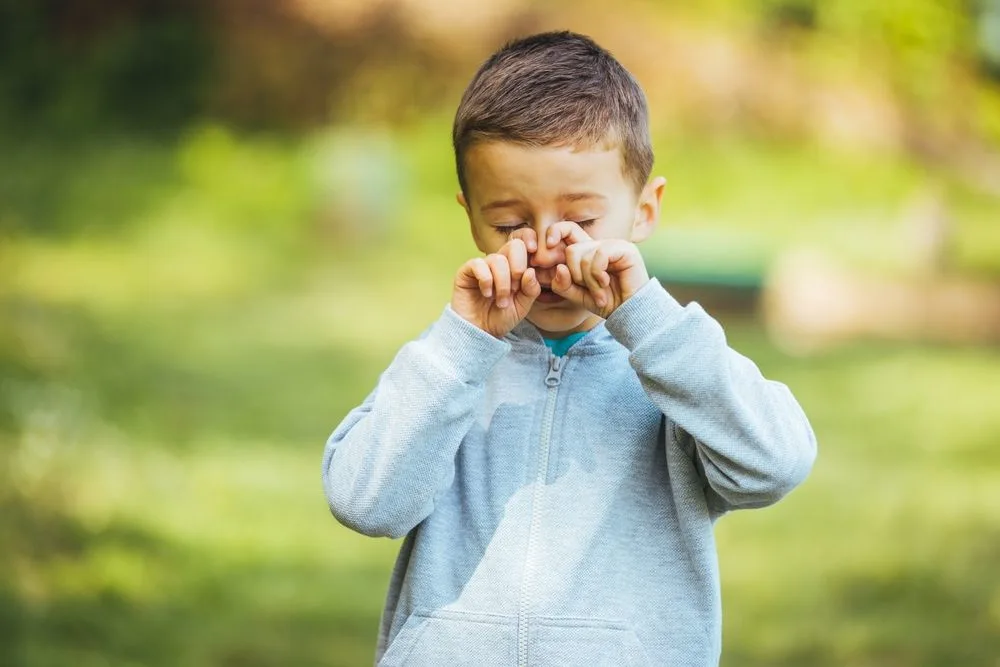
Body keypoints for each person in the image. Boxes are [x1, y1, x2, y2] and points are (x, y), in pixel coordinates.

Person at [323, 30, 817, 667]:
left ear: (644, 210)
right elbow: (367, 502)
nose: (546, 248)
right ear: (470, 216)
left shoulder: (675, 370)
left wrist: (650, 324)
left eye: (581, 222)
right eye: (508, 224)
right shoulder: (449, 365)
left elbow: (774, 464)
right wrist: (459, 348)